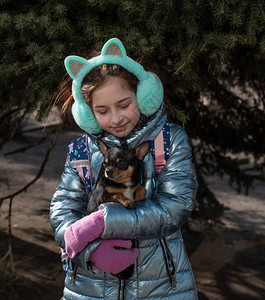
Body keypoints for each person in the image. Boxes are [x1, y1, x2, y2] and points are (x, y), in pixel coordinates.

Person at [50, 38, 198, 299]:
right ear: (86, 112)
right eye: (102, 110)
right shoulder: (81, 151)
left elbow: (175, 206)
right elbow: (63, 212)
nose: (116, 119)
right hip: (89, 288)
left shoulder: (169, 141)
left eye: (124, 105)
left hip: (161, 289)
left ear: (143, 96)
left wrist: (103, 222)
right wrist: (90, 251)